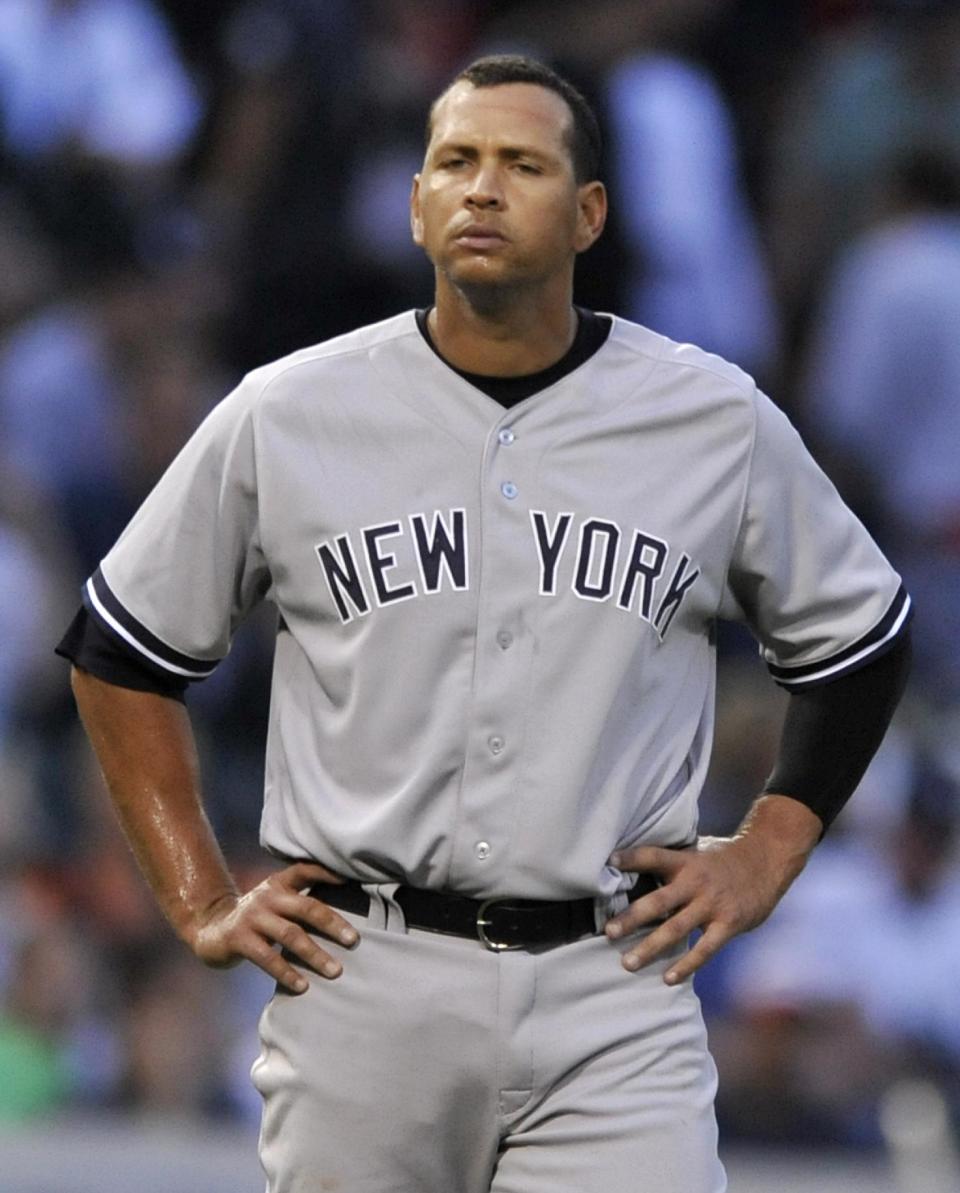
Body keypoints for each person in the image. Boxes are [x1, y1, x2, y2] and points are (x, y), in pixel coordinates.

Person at [59, 55, 912, 1193]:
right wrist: (201, 892)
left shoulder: (710, 417)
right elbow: (123, 650)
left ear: (589, 213)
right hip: (364, 976)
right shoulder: (290, 409)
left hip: (612, 981)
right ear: (416, 203)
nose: (482, 188)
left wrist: (768, 846)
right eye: (455, 161)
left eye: (523, 163)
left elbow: (860, 639)